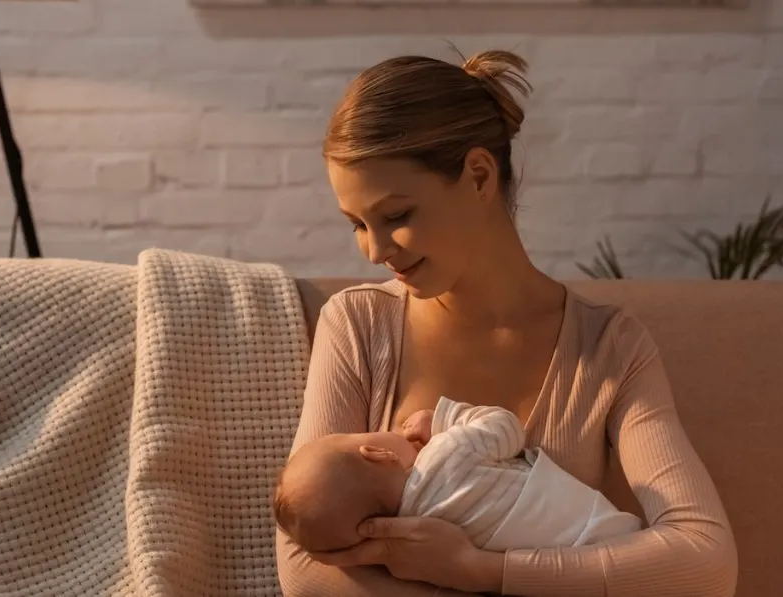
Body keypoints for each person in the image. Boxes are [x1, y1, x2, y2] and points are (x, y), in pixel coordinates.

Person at [274, 47, 738, 597]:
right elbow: (306, 570)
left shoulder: (611, 349)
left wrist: (480, 571)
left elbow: (705, 563)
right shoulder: (357, 324)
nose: (374, 251)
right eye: (357, 224)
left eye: (396, 216)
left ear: (477, 175)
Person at [273, 395, 643, 555]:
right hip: (605, 533)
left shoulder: (413, 535)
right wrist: (442, 419)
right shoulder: (447, 454)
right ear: (378, 453)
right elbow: (505, 427)